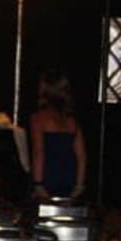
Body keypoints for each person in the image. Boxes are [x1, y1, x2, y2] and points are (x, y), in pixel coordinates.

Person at [29, 68, 86, 200]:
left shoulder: (39, 119)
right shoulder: (72, 121)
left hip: (48, 176)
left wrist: (38, 184)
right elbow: (81, 155)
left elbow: (38, 152)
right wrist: (79, 185)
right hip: (69, 177)